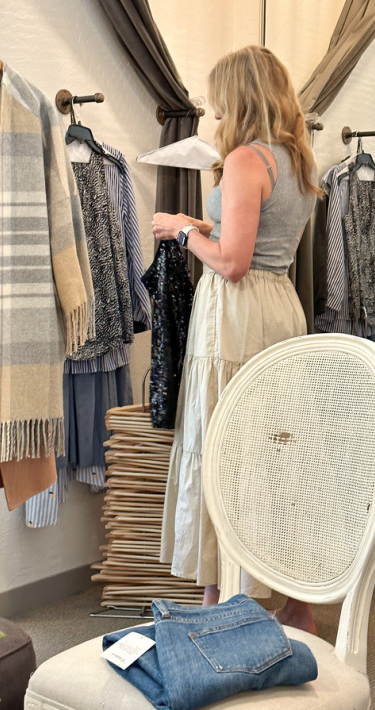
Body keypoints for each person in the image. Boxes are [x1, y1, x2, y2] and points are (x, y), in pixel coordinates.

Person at [153, 45, 321, 634]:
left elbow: (231, 264)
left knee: (222, 447)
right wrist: (206, 227)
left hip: (238, 316)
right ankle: (291, 599)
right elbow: (260, 242)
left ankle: (222, 603)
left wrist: (179, 231)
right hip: (279, 309)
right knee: (271, 453)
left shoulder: (248, 160)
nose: (215, 113)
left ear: (241, 97)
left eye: (220, 101)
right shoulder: (296, 160)